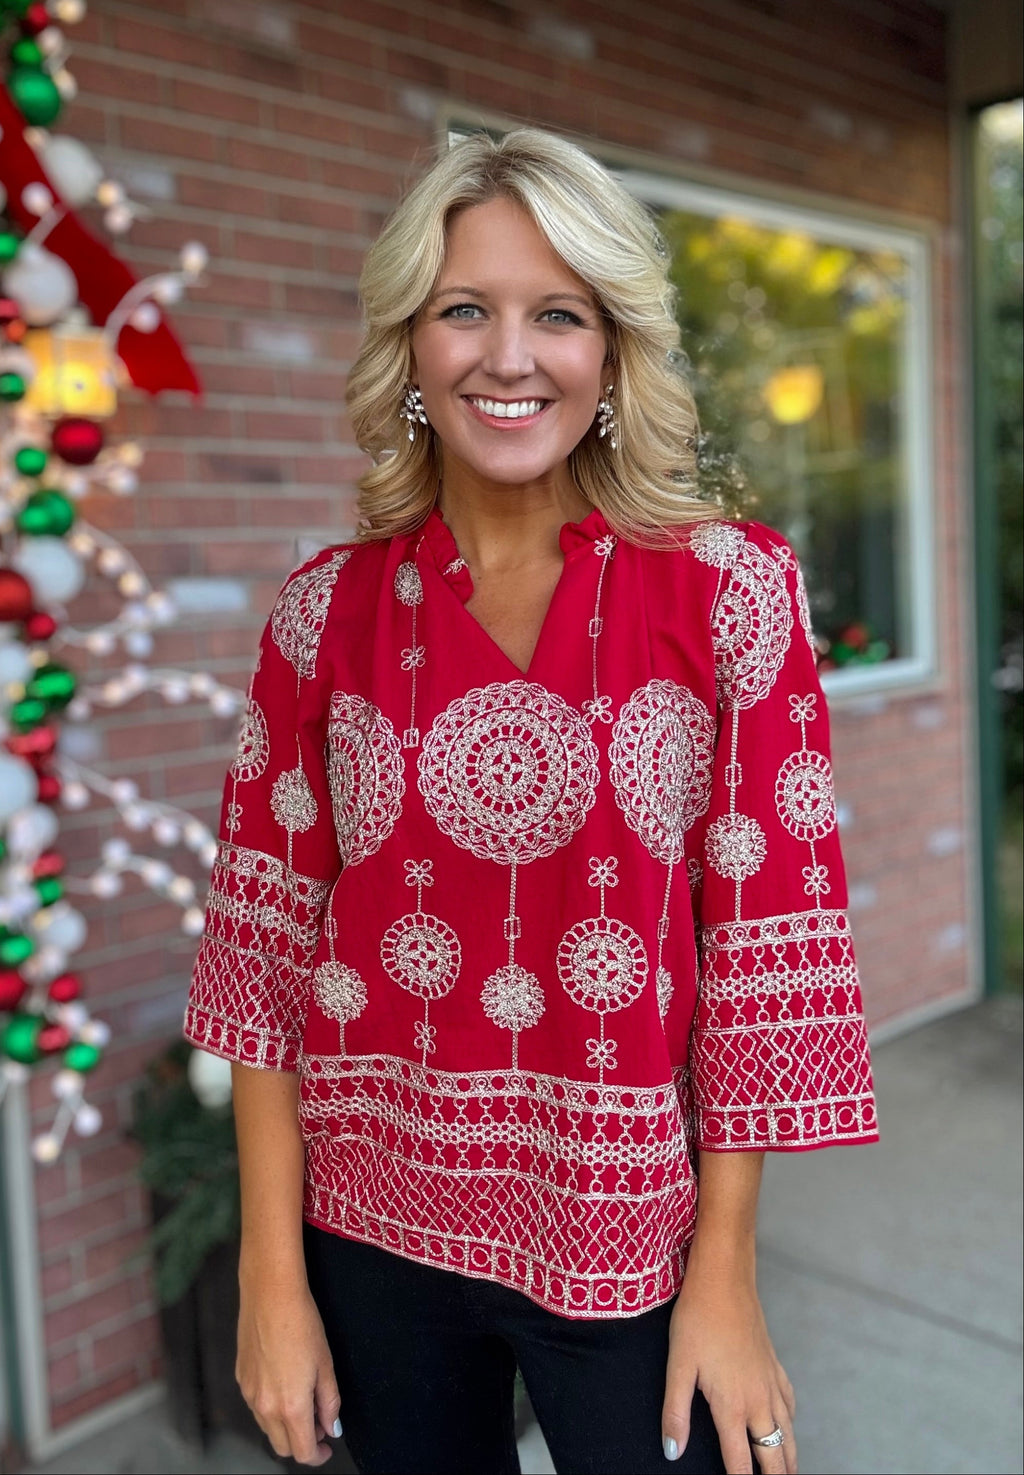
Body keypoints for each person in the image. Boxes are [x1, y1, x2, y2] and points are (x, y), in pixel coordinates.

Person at [184, 127, 877, 1475]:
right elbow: (261, 958)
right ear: (411, 347)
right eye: (465, 311)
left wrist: (725, 1278)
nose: (510, 357)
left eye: (557, 314)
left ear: (610, 353)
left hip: (626, 1240)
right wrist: (273, 1284)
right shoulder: (321, 614)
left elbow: (764, 963)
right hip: (368, 1233)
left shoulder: (730, 594)